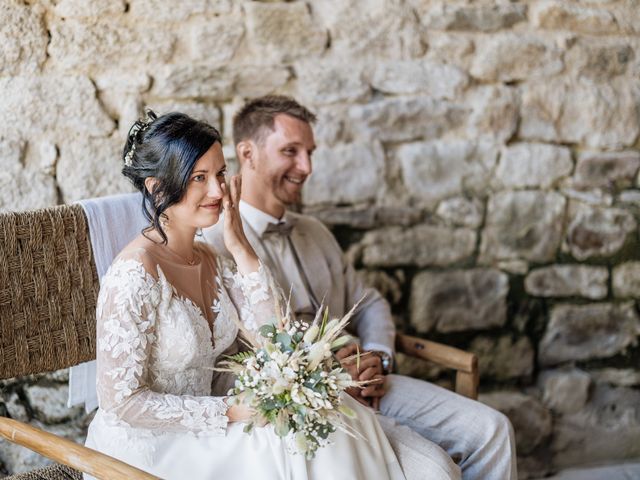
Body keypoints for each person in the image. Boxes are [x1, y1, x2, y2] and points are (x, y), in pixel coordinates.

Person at [84, 110, 456, 480]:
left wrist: (240, 244)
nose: (217, 191)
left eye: (219, 174)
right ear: (157, 187)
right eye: (199, 178)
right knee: (295, 442)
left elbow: (277, 337)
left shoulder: (212, 259)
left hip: (213, 427)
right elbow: (122, 402)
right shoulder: (136, 273)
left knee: (328, 417)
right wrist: (232, 410)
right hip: (150, 447)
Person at [203, 95, 518, 480]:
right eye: (291, 151)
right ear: (247, 153)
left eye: (310, 152)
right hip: (305, 405)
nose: (306, 167)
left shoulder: (315, 232)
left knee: (493, 431)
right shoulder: (214, 246)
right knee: (435, 472)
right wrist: (320, 378)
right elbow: (226, 360)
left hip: (371, 383)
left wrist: (379, 358)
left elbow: (370, 303)